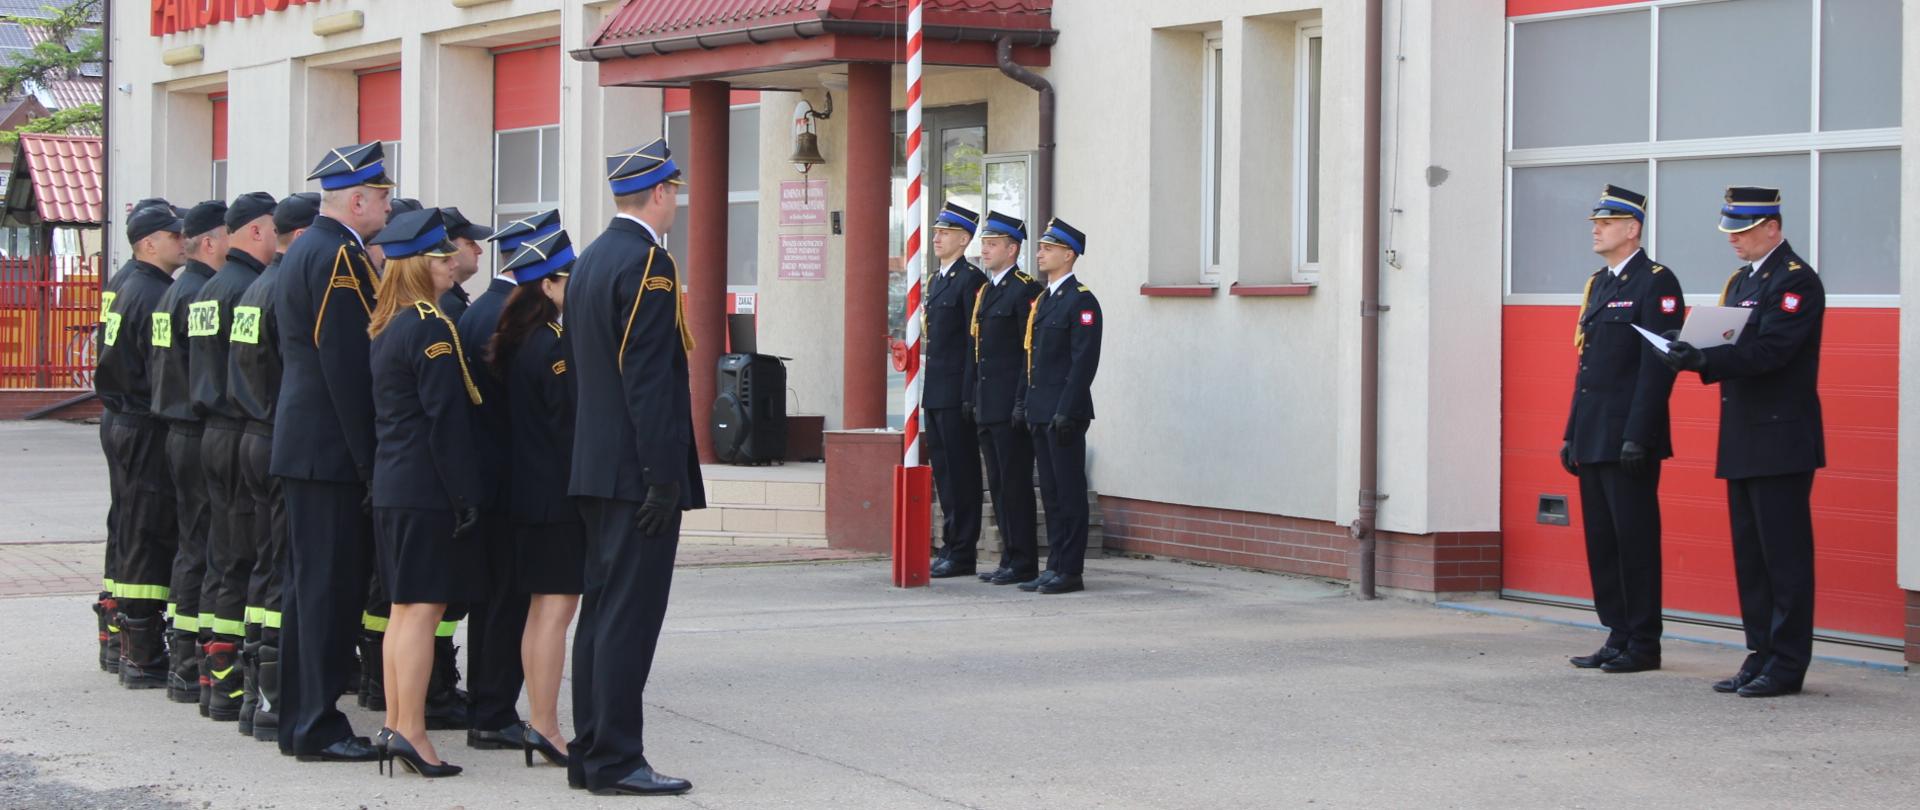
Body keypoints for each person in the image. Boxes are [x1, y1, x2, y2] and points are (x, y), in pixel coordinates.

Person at [565, 138, 704, 796]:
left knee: (599, 612)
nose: (676, 200)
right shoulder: (648, 263)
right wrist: (662, 475)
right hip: (633, 475)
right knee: (627, 616)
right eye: (673, 190)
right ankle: (617, 758)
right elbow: (647, 382)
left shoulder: (591, 259)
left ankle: (591, 748)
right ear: (660, 193)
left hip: (597, 466)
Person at [1662, 186, 1825, 699]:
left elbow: (1772, 350)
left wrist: (1705, 361)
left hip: (1780, 438)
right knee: (1751, 556)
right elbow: (1731, 338)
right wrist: (1694, 348)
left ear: (1772, 228)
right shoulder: (1742, 281)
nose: (1734, 241)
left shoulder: (1796, 282)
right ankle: (1761, 653)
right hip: (1743, 437)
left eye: (1743, 232)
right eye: (1730, 232)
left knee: (1785, 557)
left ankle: (1788, 663)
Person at [271, 141, 391, 763]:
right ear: (358, 199)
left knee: (309, 588)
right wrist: (370, 460)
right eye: (385, 196)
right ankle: (316, 724)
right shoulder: (340, 256)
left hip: (307, 443)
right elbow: (348, 368)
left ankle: (301, 719)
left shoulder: (307, 248)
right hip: (329, 451)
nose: (390, 207)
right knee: (328, 591)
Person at [366, 208, 485, 778]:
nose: (450, 264)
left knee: (402, 612)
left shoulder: (390, 322)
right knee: (420, 611)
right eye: (441, 258)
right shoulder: (430, 325)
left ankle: (397, 724)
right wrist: (466, 494)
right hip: (424, 488)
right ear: (419, 265)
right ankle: (410, 730)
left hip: (395, 484)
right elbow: (445, 422)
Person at [1561, 186, 1684, 675]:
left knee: (1634, 540)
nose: (1596, 228)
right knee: (1602, 542)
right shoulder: (1600, 284)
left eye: (1607, 222)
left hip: (1629, 437)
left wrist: (1640, 433)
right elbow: (1587, 366)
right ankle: (1617, 632)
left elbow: (1659, 365)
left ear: (1632, 229)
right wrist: (1572, 432)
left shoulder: (1656, 282)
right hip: (1593, 433)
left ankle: (1644, 642)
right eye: (1596, 221)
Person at [454, 211, 559, 754]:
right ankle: (493, 711)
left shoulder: (482, 312)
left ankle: (486, 706)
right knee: (507, 602)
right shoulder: (512, 318)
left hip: (488, 474)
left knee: (494, 601)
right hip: (511, 478)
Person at [483, 227, 580, 769]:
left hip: (529, 492)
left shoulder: (520, 337)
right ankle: (544, 723)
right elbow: (566, 422)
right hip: (552, 498)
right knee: (553, 611)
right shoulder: (550, 345)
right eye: (569, 279)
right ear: (548, 285)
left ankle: (541, 720)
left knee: (543, 611)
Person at [227, 191, 320, 742]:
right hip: (275, 437)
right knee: (282, 566)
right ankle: (273, 699)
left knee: (263, 563)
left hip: (246, 433)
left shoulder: (253, 287)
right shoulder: (288, 288)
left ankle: (255, 699)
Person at [191, 192, 278, 724]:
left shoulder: (206, 290)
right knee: (249, 557)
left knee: (220, 555)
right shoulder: (248, 289)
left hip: (209, 431)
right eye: (271, 230)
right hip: (243, 427)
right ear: (254, 232)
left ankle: (213, 681)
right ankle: (241, 684)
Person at [96, 203, 187, 688]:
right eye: (175, 235)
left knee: (127, 524)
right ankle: (142, 652)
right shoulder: (153, 292)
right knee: (147, 531)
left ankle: (117, 635)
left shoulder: (123, 280)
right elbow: (162, 367)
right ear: (149, 243)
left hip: (120, 417)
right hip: (142, 420)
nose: (184, 241)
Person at [148, 199, 224, 703]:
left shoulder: (175, 293)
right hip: (196, 430)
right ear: (212, 242)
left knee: (190, 544)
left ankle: (184, 658)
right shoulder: (201, 295)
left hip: (174, 427)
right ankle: (192, 661)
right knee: (202, 544)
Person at [1018, 218, 1099, 595]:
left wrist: (1066, 410)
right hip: (1041, 410)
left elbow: (1083, 362)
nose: (1040, 253)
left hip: (1065, 413)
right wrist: (1026, 404)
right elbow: (1032, 358)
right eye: (1040, 247)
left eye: (1048, 248)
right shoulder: (1045, 300)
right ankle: (1054, 565)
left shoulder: (1081, 301)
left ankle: (1071, 569)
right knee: (1049, 493)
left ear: (1068, 255)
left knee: (1068, 491)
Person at [967, 211, 1043, 586]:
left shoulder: (1024, 289)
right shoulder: (987, 290)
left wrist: (1020, 402)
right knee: (997, 485)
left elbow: (1027, 352)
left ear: (1013, 249)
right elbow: (979, 350)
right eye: (983, 243)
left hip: (1010, 405)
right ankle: (1009, 557)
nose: (985, 250)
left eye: (992, 244)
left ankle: (1025, 561)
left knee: (1014, 485)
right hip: (987, 404)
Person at [923, 201, 988, 579]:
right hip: (935, 390)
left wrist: (968, 394)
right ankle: (950, 544)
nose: (936, 238)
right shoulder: (938, 280)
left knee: (962, 474)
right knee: (944, 473)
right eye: (936, 232)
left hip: (956, 393)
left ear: (963, 240)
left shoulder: (970, 281)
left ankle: (963, 550)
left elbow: (972, 344)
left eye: (944, 233)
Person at [435, 207, 493, 321]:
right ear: (449, 249)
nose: (479, 250)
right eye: (470, 244)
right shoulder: (448, 305)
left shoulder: (450, 299)